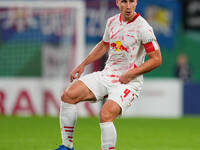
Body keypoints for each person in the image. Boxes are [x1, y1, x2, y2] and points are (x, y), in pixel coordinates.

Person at [55, 0, 162, 150]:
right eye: (124, 1)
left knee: (106, 114)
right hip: (107, 75)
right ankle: (67, 146)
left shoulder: (143, 27)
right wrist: (83, 64)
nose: (128, 6)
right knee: (68, 95)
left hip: (129, 83)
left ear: (136, 2)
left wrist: (131, 73)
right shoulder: (112, 22)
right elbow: (104, 44)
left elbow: (156, 59)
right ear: (118, 2)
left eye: (132, 1)